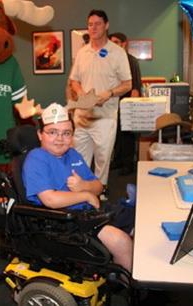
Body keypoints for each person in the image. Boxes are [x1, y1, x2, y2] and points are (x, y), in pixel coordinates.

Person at [22, 103, 133, 272]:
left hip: (89, 212)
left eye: (66, 133)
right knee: (120, 241)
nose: (60, 139)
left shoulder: (72, 154)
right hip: (63, 221)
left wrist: (84, 186)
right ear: (40, 135)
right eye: (52, 132)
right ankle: (132, 287)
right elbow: (50, 199)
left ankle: (121, 270)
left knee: (135, 218)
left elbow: (98, 186)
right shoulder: (36, 159)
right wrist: (85, 195)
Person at [69, 10, 132, 199]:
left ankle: (99, 195)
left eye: (97, 23)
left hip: (105, 116)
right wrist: (80, 92)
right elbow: (74, 80)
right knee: (78, 159)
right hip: (82, 116)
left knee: (102, 160)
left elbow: (128, 84)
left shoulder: (118, 53)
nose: (93, 27)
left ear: (106, 25)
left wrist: (110, 93)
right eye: (90, 24)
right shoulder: (82, 52)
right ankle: (78, 195)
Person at [109, 32, 142, 176]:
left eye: (116, 42)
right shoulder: (112, 60)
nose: (113, 45)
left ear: (124, 44)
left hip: (127, 104)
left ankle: (128, 165)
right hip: (113, 104)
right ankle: (117, 161)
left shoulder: (131, 60)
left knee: (127, 136)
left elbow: (135, 86)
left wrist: (130, 108)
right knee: (116, 135)